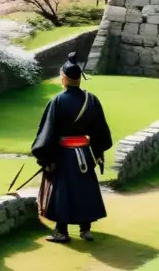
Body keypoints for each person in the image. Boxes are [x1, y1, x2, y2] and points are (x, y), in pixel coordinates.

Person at [30, 52, 113, 243]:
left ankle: (61, 231)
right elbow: (101, 131)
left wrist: (45, 158)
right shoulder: (92, 100)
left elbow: (47, 132)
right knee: (84, 189)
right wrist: (97, 152)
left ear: (64, 78)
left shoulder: (58, 101)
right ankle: (86, 230)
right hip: (84, 153)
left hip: (64, 155)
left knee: (63, 192)